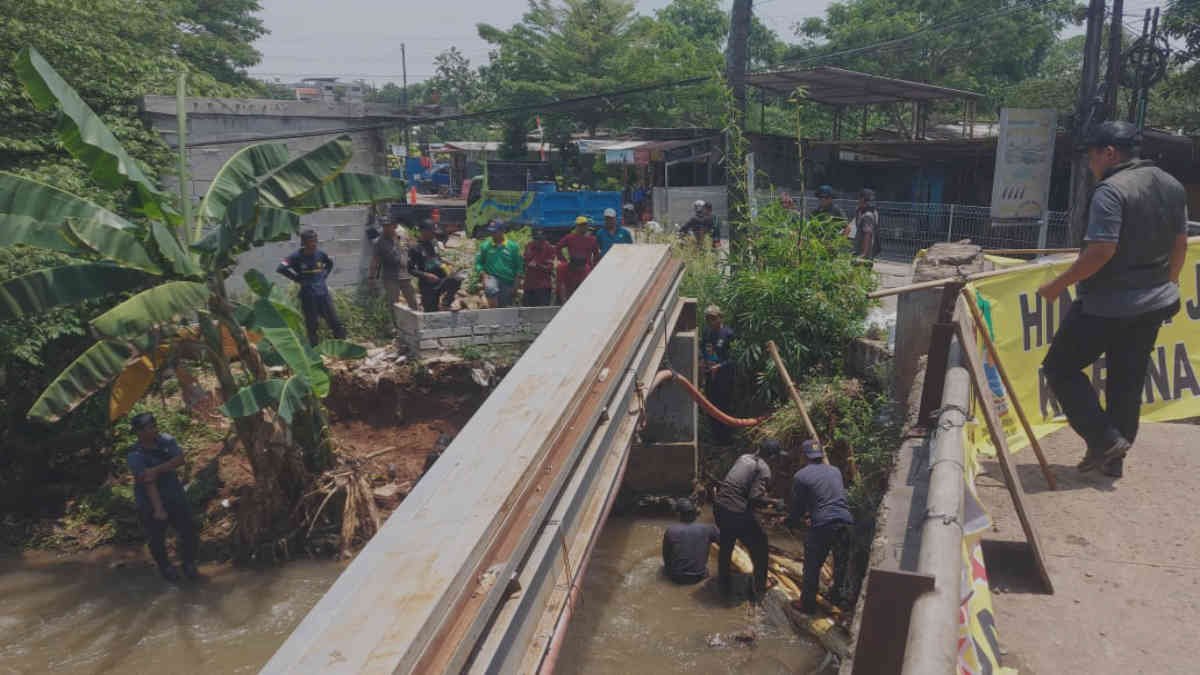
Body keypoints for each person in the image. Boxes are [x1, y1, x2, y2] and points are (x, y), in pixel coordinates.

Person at [1039, 121, 1188, 479]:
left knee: (1060, 367)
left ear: (1109, 153)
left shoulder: (1111, 190)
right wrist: (1165, 285)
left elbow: (1101, 251)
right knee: (1127, 380)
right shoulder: (1171, 185)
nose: (1091, 166)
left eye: (1092, 157)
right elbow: (1180, 244)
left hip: (1108, 305)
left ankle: (1104, 440)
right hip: (1154, 302)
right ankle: (1114, 460)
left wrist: (1058, 285)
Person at [126, 412, 198, 582]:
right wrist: (159, 509)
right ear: (139, 432)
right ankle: (165, 567)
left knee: (188, 531)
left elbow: (180, 459)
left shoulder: (166, 440)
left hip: (174, 494)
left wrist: (156, 470)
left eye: (154, 426)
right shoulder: (135, 455)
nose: (154, 430)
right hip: (150, 502)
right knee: (157, 538)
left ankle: (188, 563)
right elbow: (148, 482)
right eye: (149, 428)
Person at [788, 441, 854, 614]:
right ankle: (837, 598)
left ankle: (807, 604)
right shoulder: (835, 471)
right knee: (841, 563)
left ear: (804, 456)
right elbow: (827, 496)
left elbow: (797, 507)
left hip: (823, 524)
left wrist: (791, 522)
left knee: (812, 564)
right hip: (845, 521)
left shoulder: (801, 476)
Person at [714, 438, 786, 599]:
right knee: (761, 545)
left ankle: (723, 583)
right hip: (735, 511)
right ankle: (760, 586)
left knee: (726, 544)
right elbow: (754, 498)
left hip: (719, 506)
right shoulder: (764, 469)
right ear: (773, 457)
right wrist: (775, 502)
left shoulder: (744, 458)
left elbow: (740, 487)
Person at [277, 229, 346, 345]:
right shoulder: (295, 256)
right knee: (312, 325)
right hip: (308, 296)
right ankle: (315, 350)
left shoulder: (320, 254)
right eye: (310, 241)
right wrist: (297, 279)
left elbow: (329, 264)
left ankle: (342, 345)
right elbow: (281, 268)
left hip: (323, 295)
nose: (314, 244)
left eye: (315, 241)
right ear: (304, 243)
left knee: (335, 321)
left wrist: (324, 275)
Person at [662, 498, 720, 585]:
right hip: (700, 576)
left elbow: (666, 557)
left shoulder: (671, 531)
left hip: (677, 578)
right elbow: (726, 544)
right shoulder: (709, 529)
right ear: (695, 513)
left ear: (678, 514)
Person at [408, 220, 461, 312]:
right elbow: (410, 269)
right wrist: (426, 275)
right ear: (424, 231)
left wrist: (447, 264)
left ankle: (445, 304)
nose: (434, 235)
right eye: (432, 232)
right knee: (431, 313)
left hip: (440, 280)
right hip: (427, 286)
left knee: (456, 279)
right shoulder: (415, 248)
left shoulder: (433, 244)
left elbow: (436, 259)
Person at [701, 304, 736, 444]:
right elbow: (703, 348)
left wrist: (720, 366)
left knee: (724, 406)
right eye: (708, 319)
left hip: (724, 378)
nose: (711, 322)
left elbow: (735, 357)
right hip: (710, 376)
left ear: (721, 317)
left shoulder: (728, 334)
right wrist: (702, 362)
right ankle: (715, 438)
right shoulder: (707, 333)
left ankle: (727, 439)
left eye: (713, 318)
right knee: (711, 406)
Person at [370, 220, 418, 311]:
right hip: (390, 278)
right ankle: (395, 324)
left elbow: (414, 248)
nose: (386, 228)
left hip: (405, 276)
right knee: (393, 304)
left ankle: (416, 323)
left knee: (413, 302)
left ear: (395, 226)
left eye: (388, 226)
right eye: (384, 226)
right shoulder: (379, 242)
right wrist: (371, 277)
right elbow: (375, 260)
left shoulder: (403, 237)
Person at [475, 220, 524, 308]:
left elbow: (519, 266)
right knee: (491, 289)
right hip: (491, 277)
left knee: (504, 308)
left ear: (502, 231)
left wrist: (516, 285)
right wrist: (483, 274)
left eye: (495, 231)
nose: (492, 233)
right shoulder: (485, 246)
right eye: (491, 231)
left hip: (508, 281)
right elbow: (479, 263)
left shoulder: (513, 246)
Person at [556, 216, 599, 302]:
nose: (583, 227)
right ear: (577, 226)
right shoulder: (569, 238)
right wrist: (563, 260)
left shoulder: (591, 240)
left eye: (585, 225)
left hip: (585, 270)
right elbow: (558, 247)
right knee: (570, 293)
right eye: (581, 225)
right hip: (572, 269)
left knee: (585, 295)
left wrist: (593, 267)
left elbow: (596, 254)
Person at [522, 228, 557, 307]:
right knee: (527, 312)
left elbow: (550, 268)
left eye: (540, 238)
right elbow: (524, 262)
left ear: (544, 238)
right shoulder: (529, 246)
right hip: (529, 285)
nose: (538, 241)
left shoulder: (550, 248)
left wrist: (538, 266)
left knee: (542, 312)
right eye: (536, 238)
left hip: (543, 286)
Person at [853, 188, 880, 259]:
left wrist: (863, 254)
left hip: (863, 254)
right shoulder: (873, 212)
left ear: (862, 199)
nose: (858, 201)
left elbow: (867, 234)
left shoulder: (867, 216)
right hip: (865, 252)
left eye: (859, 199)